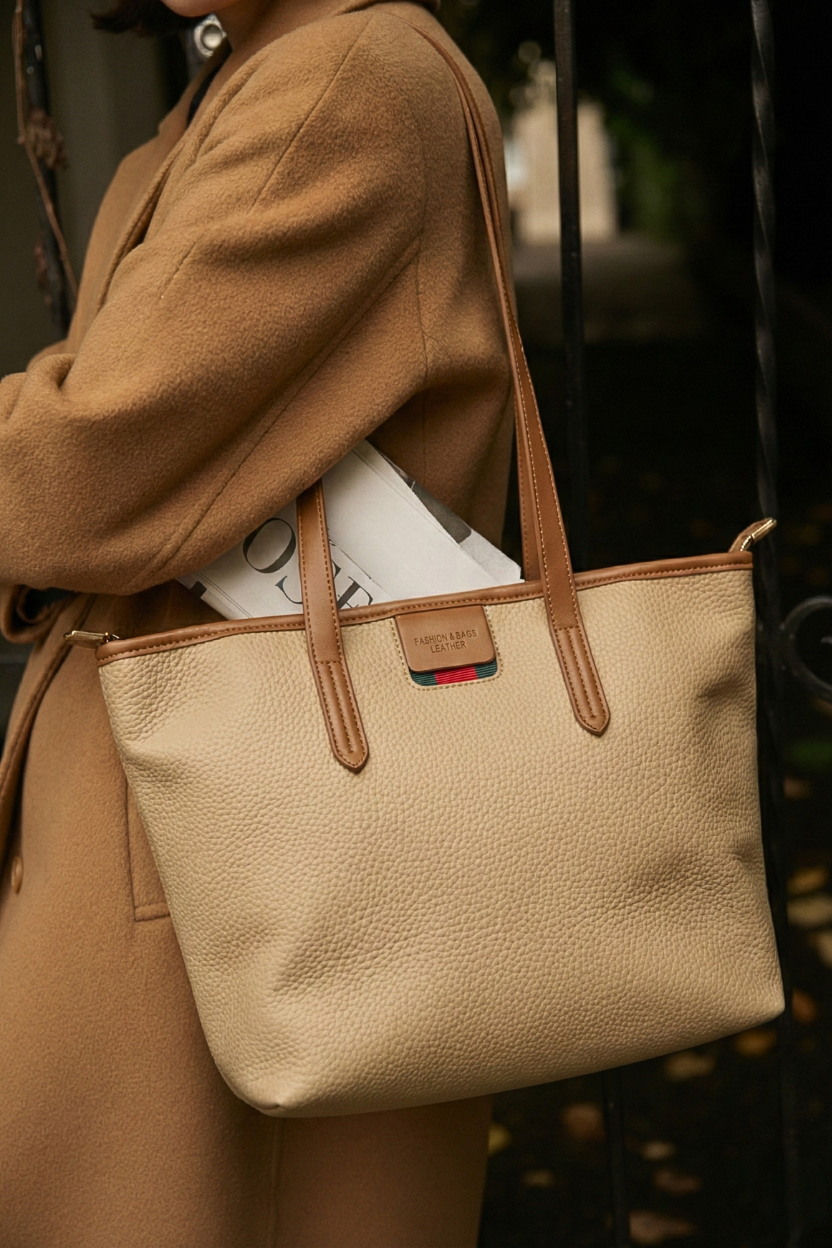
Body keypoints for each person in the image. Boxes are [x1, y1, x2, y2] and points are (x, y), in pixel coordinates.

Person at [0, 0, 515, 1243]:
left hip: (241, 841)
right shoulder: (224, 100)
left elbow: (79, 475)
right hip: (222, 818)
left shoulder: (343, 81)